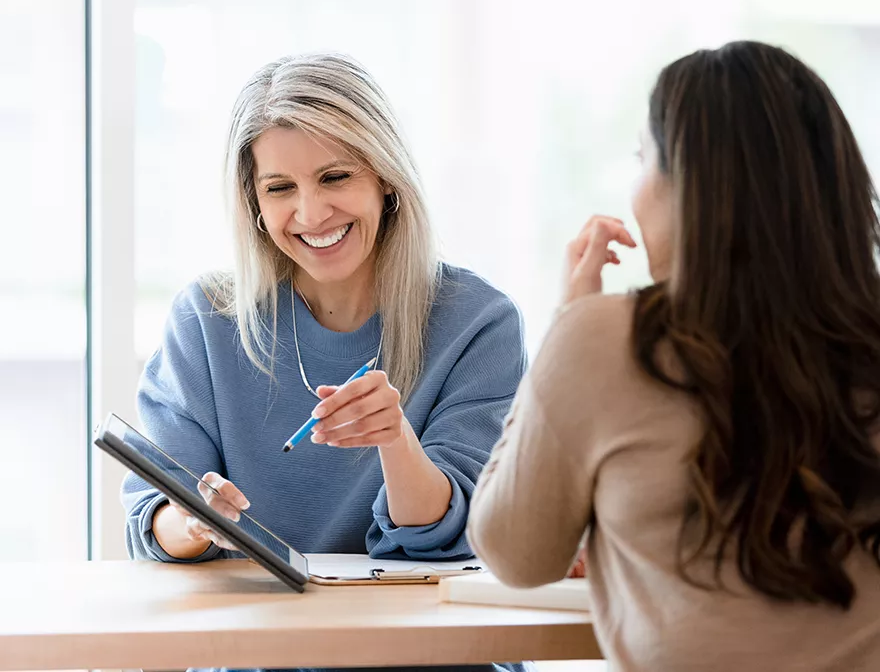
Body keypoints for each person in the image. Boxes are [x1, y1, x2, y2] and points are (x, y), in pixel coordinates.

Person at [468, 40, 880, 671]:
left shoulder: (606, 340)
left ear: (692, 185)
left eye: (643, 158)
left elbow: (516, 554)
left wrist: (567, 325)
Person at [121, 53, 527, 672]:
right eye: (280, 188)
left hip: (430, 661)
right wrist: (197, 522)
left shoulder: (477, 320)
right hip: (259, 657)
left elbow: (450, 538)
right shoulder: (207, 318)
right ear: (254, 205)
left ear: (385, 178)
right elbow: (152, 524)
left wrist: (396, 441)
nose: (311, 215)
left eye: (335, 177)